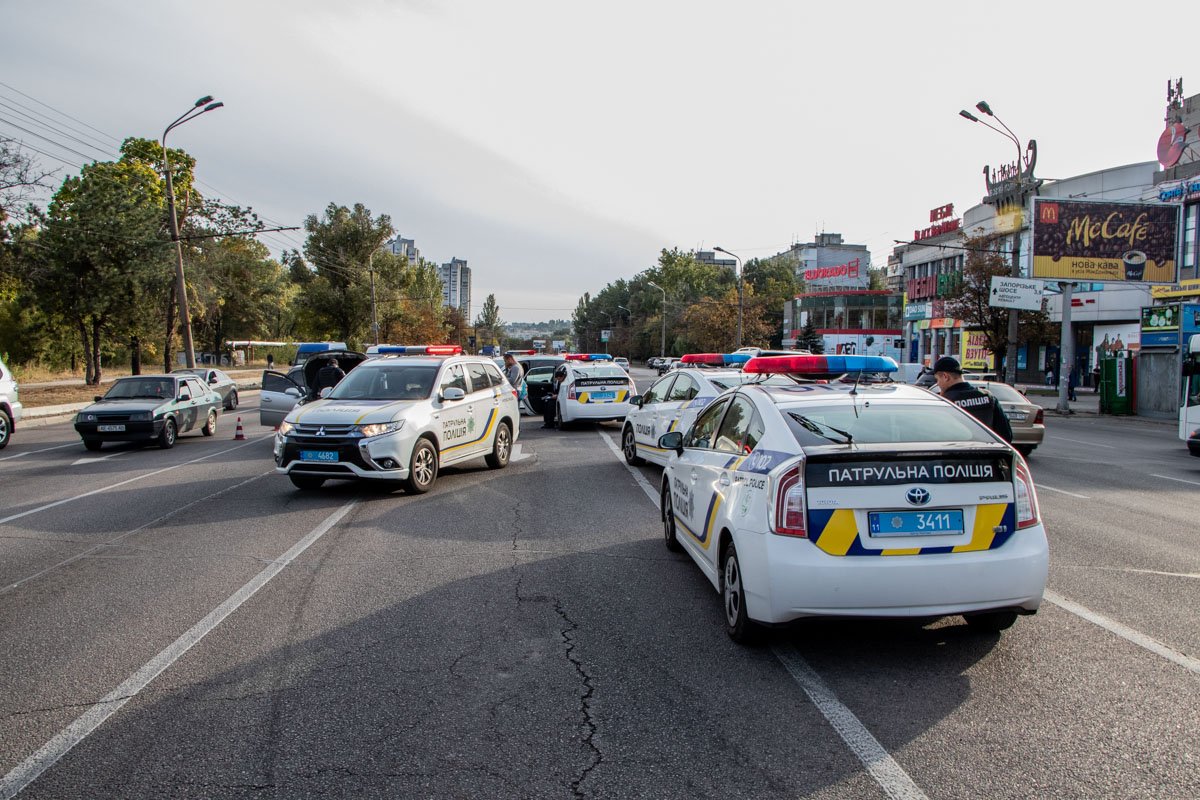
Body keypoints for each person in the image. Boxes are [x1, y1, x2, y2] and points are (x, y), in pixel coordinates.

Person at [932, 356, 1013, 443]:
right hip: (987, 453)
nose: (938, 384)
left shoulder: (944, 402)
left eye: (937, 379)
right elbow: (1006, 436)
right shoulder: (988, 397)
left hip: (955, 453)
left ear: (945, 376)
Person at [542, 364, 567, 429]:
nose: (558, 380)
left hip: (561, 399)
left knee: (550, 404)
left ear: (562, 377)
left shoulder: (565, 383)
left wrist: (556, 396)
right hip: (557, 397)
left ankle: (550, 423)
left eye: (559, 378)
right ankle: (547, 422)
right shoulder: (559, 382)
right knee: (546, 402)